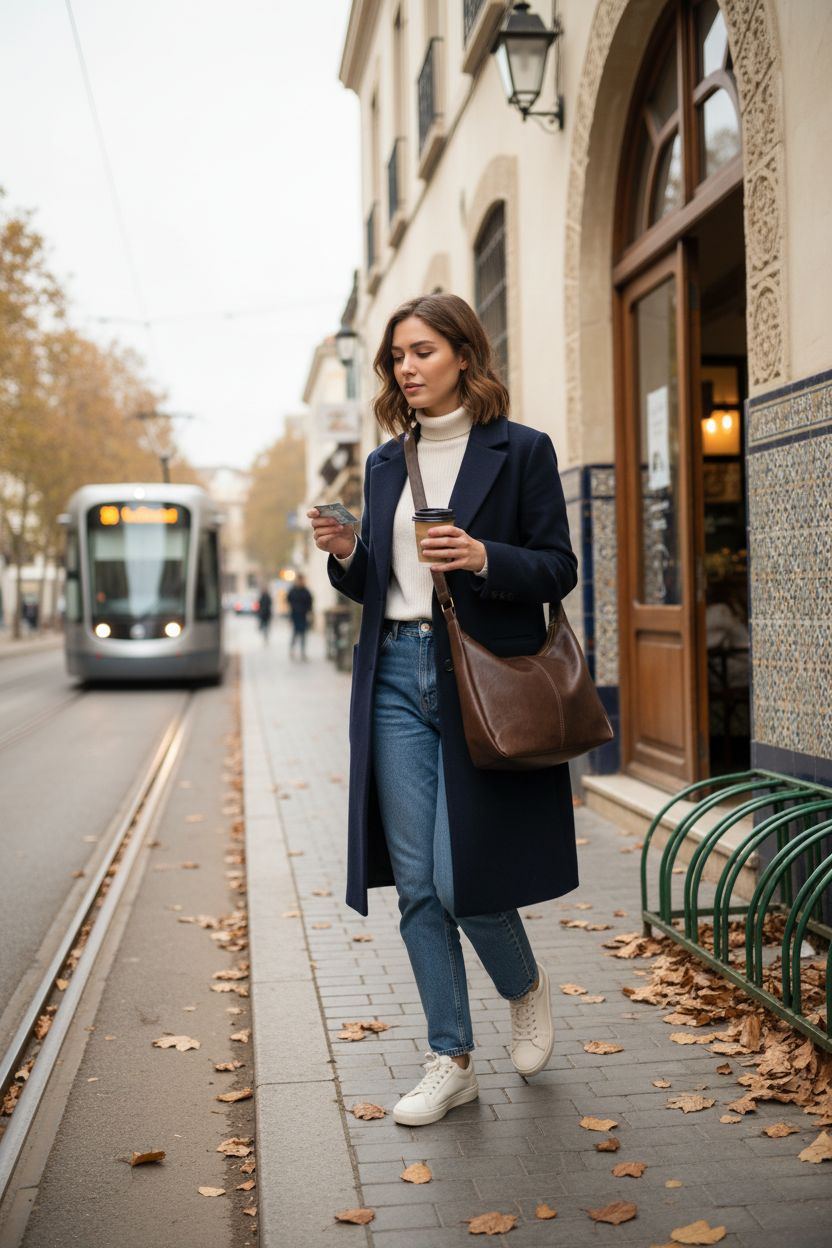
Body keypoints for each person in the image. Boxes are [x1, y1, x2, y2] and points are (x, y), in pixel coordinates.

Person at [308, 293, 579, 1127]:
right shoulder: (389, 463)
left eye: (421, 351)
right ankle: (450, 1057)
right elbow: (379, 583)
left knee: (463, 880)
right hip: (394, 673)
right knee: (418, 885)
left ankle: (524, 986)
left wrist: (480, 554)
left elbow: (556, 567)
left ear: (464, 352)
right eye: (396, 357)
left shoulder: (522, 451)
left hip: (479, 677)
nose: (406, 367)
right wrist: (351, 552)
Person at [286, 574, 313, 660]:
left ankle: (303, 652)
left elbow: (310, 603)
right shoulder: (293, 591)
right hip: (295, 616)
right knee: (295, 634)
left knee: (303, 635)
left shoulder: (306, 591)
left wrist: (309, 614)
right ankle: (292, 650)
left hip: (303, 616)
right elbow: (288, 600)